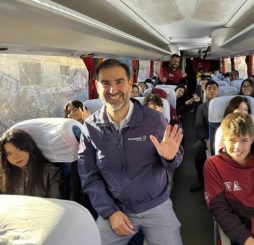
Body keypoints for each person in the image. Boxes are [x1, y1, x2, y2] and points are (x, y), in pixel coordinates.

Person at [78, 59, 184, 245]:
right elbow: (89, 177)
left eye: (119, 82)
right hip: (116, 208)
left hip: (155, 205)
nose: (113, 90)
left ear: (130, 83)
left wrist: (170, 157)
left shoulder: (153, 120)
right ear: (96, 85)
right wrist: (110, 212)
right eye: (105, 83)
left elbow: (175, 158)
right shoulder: (90, 128)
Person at [204, 113, 254, 245]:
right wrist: (245, 239)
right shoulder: (214, 165)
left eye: (244, 140)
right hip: (243, 230)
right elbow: (219, 207)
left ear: (252, 139)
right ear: (224, 140)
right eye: (232, 140)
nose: (237, 147)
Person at [0, 129, 62, 198]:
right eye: (9, 154)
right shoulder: (4, 174)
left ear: (30, 148)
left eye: (19, 149)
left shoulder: (50, 173)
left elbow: (55, 204)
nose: (15, 157)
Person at [190, 80, 219, 192]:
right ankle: (201, 178)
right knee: (198, 148)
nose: (212, 91)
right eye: (209, 89)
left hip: (225, 135)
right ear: (205, 91)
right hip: (208, 135)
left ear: (218, 90)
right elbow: (199, 125)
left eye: (214, 88)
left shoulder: (225, 104)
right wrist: (205, 138)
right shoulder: (202, 107)